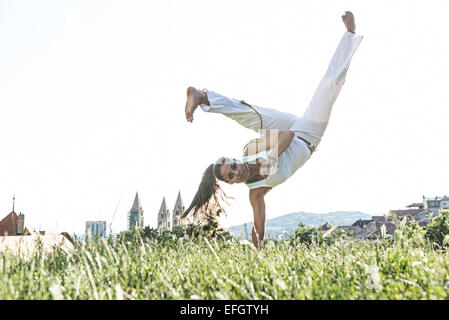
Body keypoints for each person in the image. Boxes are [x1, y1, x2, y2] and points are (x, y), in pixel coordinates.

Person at [181, 11, 363, 248]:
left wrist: (272, 158)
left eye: (233, 166)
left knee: (251, 115)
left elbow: (287, 135)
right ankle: (349, 37)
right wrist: (256, 253)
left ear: (236, 160)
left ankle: (203, 97)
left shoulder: (250, 149)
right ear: (232, 183)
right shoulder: (256, 193)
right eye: (231, 175)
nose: (237, 172)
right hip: (308, 135)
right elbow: (258, 228)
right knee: (330, 86)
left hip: (287, 132)